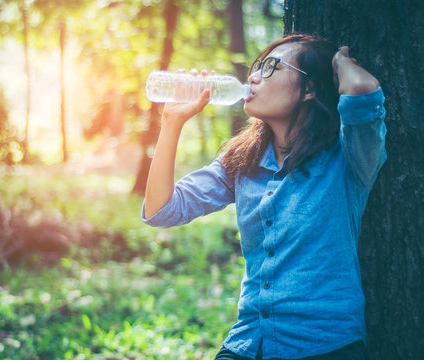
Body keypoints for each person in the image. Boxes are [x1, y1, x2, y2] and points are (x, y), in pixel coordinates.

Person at [141, 34, 387, 360]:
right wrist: (171, 124)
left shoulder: (346, 159)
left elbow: (362, 92)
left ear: (310, 88)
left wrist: (339, 61)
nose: (253, 76)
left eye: (272, 67)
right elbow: (161, 210)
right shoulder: (243, 161)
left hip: (324, 345)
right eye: (257, 66)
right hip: (249, 342)